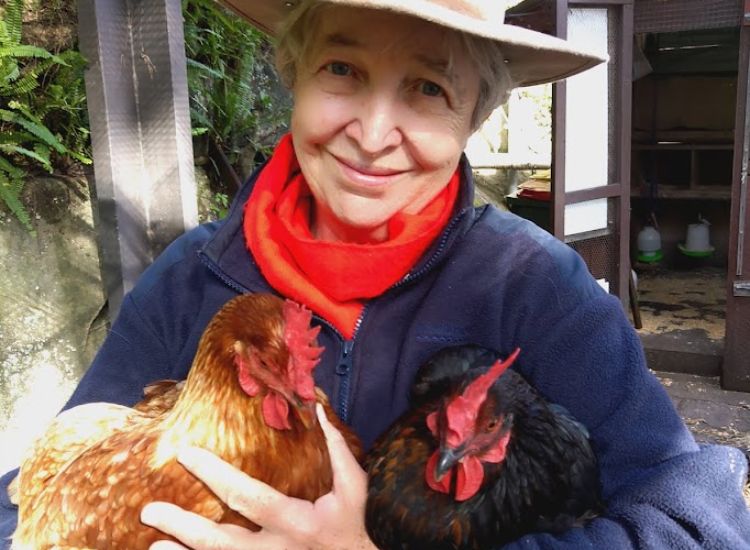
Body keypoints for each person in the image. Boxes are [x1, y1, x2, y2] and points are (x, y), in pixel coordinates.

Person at [2, 0, 750, 548]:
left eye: (429, 87)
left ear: (474, 116)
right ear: (293, 75)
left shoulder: (533, 286)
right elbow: (33, 499)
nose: (370, 133)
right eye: (341, 68)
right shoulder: (191, 278)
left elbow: (700, 521)